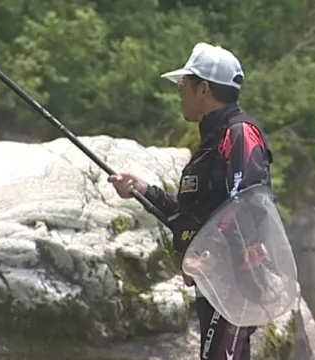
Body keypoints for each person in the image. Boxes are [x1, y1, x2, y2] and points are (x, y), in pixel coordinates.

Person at [108, 42, 273, 360]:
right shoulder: (213, 141)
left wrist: (208, 254)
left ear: (203, 89)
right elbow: (190, 218)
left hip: (235, 282)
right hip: (214, 283)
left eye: (184, 85)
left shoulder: (239, 133)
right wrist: (141, 190)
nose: (180, 93)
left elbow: (247, 203)